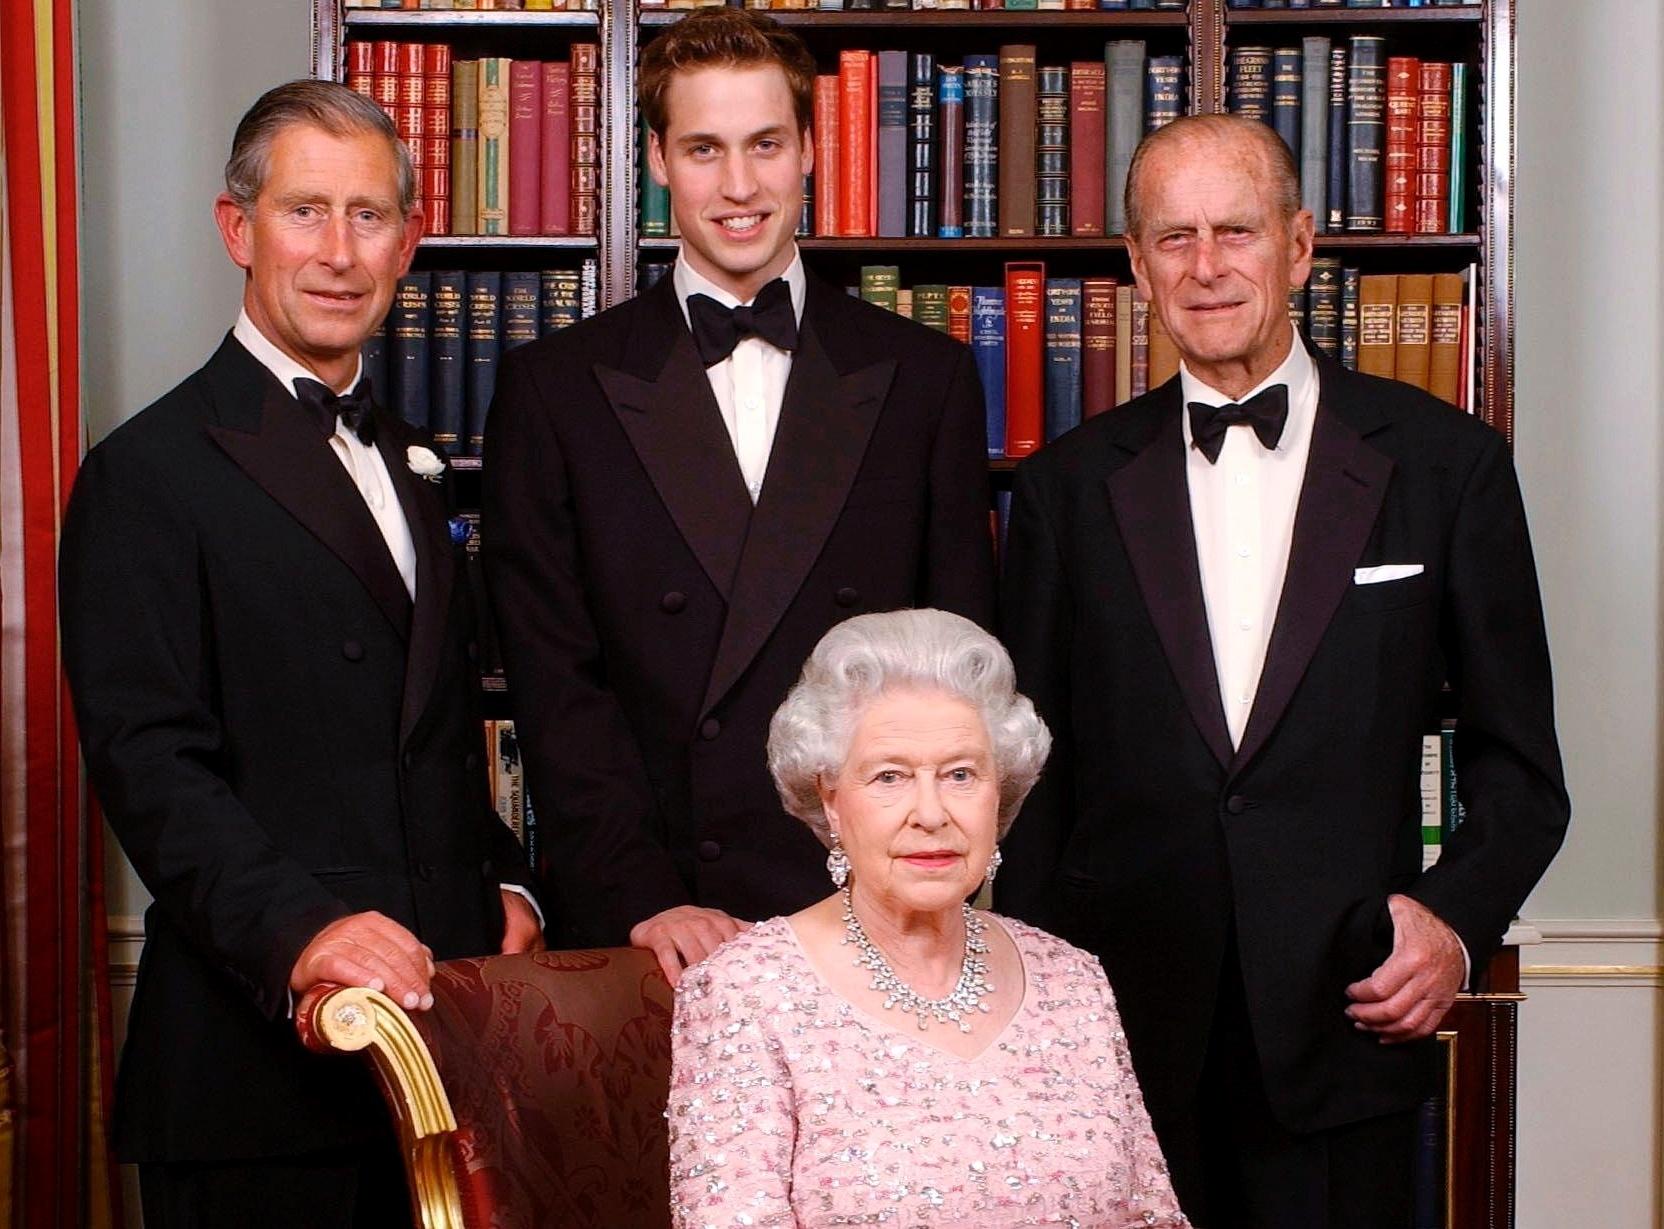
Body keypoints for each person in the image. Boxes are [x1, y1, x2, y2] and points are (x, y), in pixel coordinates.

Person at [996, 113, 1569, 1227]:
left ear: (1298, 246)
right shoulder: (1064, 489)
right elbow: (1030, 780)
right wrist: (1035, 1018)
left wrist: (1452, 920)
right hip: (1120, 1039)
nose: (1204, 266)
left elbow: (1519, 767)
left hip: (1342, 1020)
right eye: (1172, 238)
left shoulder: (1446, 466)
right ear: (1133, 264)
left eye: (1234, 231)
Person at [59, 81, 543, 1229]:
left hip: (443, 1052)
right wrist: (307, 929)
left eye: (369, 216)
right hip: (255, 1087)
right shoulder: (148, 472)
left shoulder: (416, 467)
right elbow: (151, 764)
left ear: (410, 242)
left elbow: (420, 736)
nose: (338, 251)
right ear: (238, 229)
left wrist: (507, 881)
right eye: (304, 212)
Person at [482, 8, 995, 984]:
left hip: (872, 911)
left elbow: (953, 679)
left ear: (809, 149)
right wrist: (642, 895)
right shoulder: (554, 389)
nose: (739, 186)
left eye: (764, 144)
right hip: (657, 924)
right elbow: (557, 684)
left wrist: (899, 881)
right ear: (657, 159)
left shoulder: (925, 378)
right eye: (704, 148)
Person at [666, 609, 1189, 1228]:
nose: (931, 812)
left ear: (1001, 792)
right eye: (890, 777)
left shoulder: (1073, 979)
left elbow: (1151, 1216)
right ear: (831, 798)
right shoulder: (743, 990)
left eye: (961, 774)